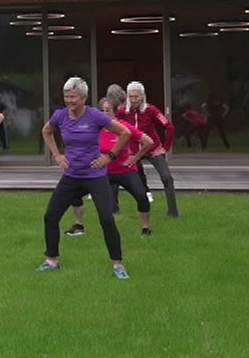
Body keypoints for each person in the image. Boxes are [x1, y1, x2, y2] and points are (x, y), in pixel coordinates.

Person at [37, 77, 133, 279]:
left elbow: (124, 133)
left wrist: (109, 156)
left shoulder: (95, 115)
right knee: (50, 216)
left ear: (83, 98)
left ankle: (118, 265)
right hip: (71, 176)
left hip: (95, 176)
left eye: (73, 97)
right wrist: (57, 155)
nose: (69, 100)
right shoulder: (60, 116)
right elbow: (46, 131)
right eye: (66, 96)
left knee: (106, 219)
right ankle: (51, 260)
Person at [68, 96, 154, 237]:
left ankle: (145, 229)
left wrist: (135, 157)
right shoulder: (94, 128)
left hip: (124, 170)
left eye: (108, 110)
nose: (105, 113)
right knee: (74, 193)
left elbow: (148, 142)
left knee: (141, 196)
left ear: (115, 111)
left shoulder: (123, 127)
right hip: (101, 172)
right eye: (102, 111)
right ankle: (78, 226)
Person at [117, 81, 179, 218]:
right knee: (121, 176)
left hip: (153, 149)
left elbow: (168, 126)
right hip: (133, 151)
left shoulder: (151, 110)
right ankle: (116, 210)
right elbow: (115, 127)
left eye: (136, 97)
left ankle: (173, 212)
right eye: (131, 97)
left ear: (143, 96)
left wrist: (165, 148)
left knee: (167, 178)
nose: (134, 100)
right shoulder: (122, 111)